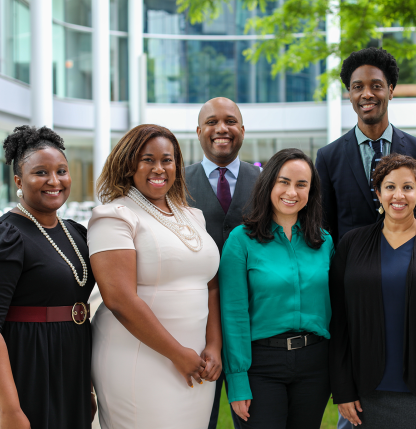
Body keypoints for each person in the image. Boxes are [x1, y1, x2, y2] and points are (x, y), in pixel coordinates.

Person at [88, 124, 221, 428]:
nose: (158, 168)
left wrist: (213, 346)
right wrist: (177, 353)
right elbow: (119, 299)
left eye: (167, 159)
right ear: (128, 164)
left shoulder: (193, 216)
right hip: (138, 358)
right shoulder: (113, 216)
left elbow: (211, 285)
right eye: (147, 159)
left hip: (197, 360)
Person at [329, 154, 416, 429]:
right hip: (362, 393)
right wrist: (343, 387)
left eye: (407, 187)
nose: (399, 195)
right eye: (390, 186)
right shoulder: (352, 244)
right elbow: (339, 321)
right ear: (378, 192)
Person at [0, 125, 96, 429]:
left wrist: (86, 387)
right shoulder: (1, 237)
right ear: (18, 181)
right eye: (40, 173)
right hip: (23, 368)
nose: (54, 181)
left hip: (69, 365)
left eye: (61, 171)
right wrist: (9, 409)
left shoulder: (76, 233)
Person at [219, 148, 334, 429]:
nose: (291, 192)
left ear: (311, 191)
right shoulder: (241, 240)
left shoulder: (324, 241)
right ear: (269, 183)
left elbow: (335, 308)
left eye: (301, 184)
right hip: (261, 365)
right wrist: (237, 380)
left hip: (315, 365)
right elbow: (233, 314)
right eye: (283, 181)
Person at [185, 97, 261, 429]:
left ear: (242, 130)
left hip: (254, 319)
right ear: (199, 131)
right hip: (195, 321)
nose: (222, 129)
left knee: (256, 418)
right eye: (212, 122)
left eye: (230, 121)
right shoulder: (175, 183)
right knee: (199, 419)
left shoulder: (266, 182)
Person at [316, 47, 416, 246]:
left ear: (390, 91)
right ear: (349, 94)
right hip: (352, 270)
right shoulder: (328, 157)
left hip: (408, 269)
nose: (367, 94)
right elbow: (324, 228)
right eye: (357, 87)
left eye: (376, 86)